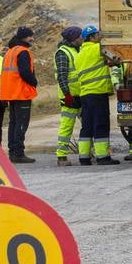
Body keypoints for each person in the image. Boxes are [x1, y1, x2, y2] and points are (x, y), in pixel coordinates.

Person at [74, 25, 119, 165]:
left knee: (86, 125)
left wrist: (107, 64)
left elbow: (96, 65)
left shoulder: (79, 54)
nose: (100, 37)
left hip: (85, 94)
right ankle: (102, 157)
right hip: (98, 92)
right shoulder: (98, 48)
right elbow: (116, 58)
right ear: (92, 37)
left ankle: (84, 158)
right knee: (100, 123)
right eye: (98, 35)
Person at [0, 26, 38, 164]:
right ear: (24, 37)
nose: (32, 38)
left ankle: (13, 152)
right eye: (30, 36)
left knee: (14, 123)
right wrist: (34, 82)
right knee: (21, 123)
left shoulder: (11, 51)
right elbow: (25, 72)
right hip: (21, 92)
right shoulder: (23, 51)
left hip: (11, 92)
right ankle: (18, 153)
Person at [54, 26, 83, 167]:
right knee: (67, 126)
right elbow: (62, 76)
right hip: (69, 97)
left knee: (87, 126)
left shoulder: (77, 50)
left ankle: (88, 153)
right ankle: (61, 156)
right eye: (80, 36)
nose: (82, 39)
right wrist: (67, 94)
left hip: (82, 94)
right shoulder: (63, 53)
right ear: (74, 38)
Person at [111, 61, 132, 161]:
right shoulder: (123, 58)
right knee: (131, 123)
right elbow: (115, 73)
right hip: (129, 93)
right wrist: (116, 84)